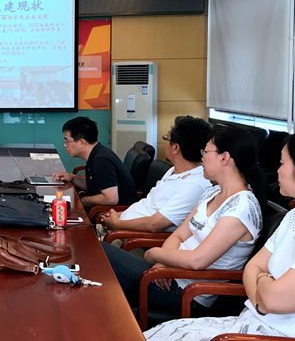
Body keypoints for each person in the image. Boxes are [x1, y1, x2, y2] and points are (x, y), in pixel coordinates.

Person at [146, 128, 295, 341]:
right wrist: (264, 290)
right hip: (252, 329)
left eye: (282, 163)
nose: (277, 170)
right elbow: (253, 270)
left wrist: (264, 288)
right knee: (157, 338)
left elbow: (274, 299)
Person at [101, 125, 264, 316]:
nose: (202, 158)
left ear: (224, 158)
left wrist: (155, 254)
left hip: (188, 292)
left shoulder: (242, 206)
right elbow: (178, 235)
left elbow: (197, 261)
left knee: (99, 254)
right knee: (97, 255)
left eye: (206, 152)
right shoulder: (213, 192)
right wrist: (163, 264)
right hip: (170, 274)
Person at [99, 116, 213, 237]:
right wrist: (117, 216)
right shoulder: (174, 170)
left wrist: (117, 224)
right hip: (122, 228)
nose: (164, 142)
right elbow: (148, 206)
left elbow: (155, 224)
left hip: (132, 238)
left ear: (175, 148)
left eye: (166, 138)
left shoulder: (194, 185)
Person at [51, 117, 138, 207]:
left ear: (82, 142)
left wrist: (82, 201)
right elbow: (93, 185)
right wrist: (73, 178)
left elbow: (111, 199)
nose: (65, 145)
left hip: (116, 211)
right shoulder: (97, 153)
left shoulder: (101, 160)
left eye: (67, 141)